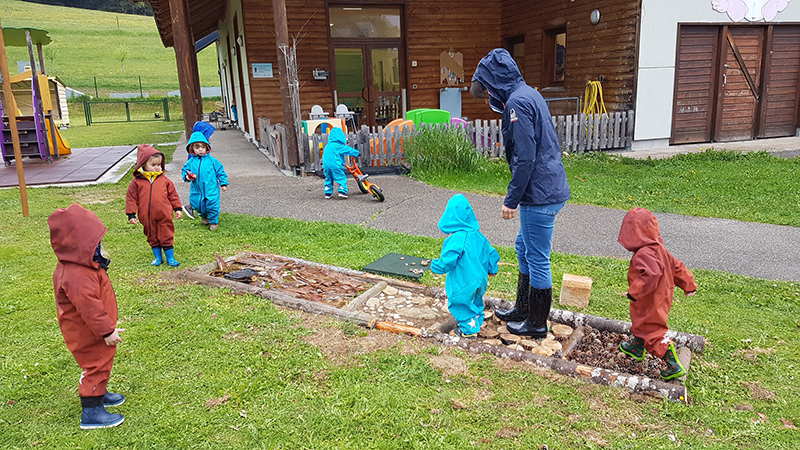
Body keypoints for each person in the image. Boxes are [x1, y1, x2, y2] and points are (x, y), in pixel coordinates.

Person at [470, 48, 571, 338]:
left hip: (539, 194)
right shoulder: (529, 93)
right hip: (547, 187)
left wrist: (511, 200)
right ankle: (522, 308)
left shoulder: (516, 104)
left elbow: (525, 157)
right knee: (523, 247)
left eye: (487, 89)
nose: (488, 96)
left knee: (538, 257)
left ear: (494, 83)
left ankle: (536, 322)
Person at [48, 203, 126, 430]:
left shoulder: (82, 265)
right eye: (95, 243)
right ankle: (91, 412)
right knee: (95, 365)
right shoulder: (76, 274)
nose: (100, 246)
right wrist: (106, 331)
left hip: (95, 328)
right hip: (88, 332)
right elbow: (89, 307)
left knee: (103, 361)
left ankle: (99, 393)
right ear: (78, 244)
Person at [618, 207, 698, 380]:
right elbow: (678, 266)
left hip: (649, 298)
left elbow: (651, 274)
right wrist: (688, 284)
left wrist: (635, 292)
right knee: (642, 322)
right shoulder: (660, 250)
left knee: (652, 330)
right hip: (662, 296)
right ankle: (637, 347)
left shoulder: (643, 254)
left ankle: (673, 364)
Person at [431, 194, 500, 339]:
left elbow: (448, 261)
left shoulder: (456, 239)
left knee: (460, 303)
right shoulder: (479, 236)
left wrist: (435, 266)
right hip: (480, 279)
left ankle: (468, 332)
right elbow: (491, 253)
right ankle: (476, 321)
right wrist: (492, 268)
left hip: (463, 281)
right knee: (476, 301)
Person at [125, 144, 183, 266]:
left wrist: (177, 208)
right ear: (143, 164)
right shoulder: (137, 182)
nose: (157, 168)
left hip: (164, 214)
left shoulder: (165, 180)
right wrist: (131, 214)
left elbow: (173, 195)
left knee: (166, 233)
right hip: (146, 216)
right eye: (153, 165)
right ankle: (158, 257)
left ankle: (170, 257)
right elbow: (131, 198)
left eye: (159, 165)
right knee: (151, 235)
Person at [181, 129, 228, 230]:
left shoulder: (212, 161)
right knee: (198, 204)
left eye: (203, 147)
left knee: (212, 204)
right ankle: (204, 216)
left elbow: (220, 171)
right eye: (197, 148)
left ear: (207, 147)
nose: (200, 150)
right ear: (192, 149)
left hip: (211, 188)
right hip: (197, 189)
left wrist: (223, 183)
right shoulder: (191, 162)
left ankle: (214, 222)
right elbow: (185, 171)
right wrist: (187, 176)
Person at [321, 127, 360, 199]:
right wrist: (357, 153)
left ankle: (327, 192)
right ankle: (342, 191)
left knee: (328, 178)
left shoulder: (327, 146)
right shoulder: (338, 146)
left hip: (326, 165)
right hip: (335, 165)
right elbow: (348, 150)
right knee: (340, 177)